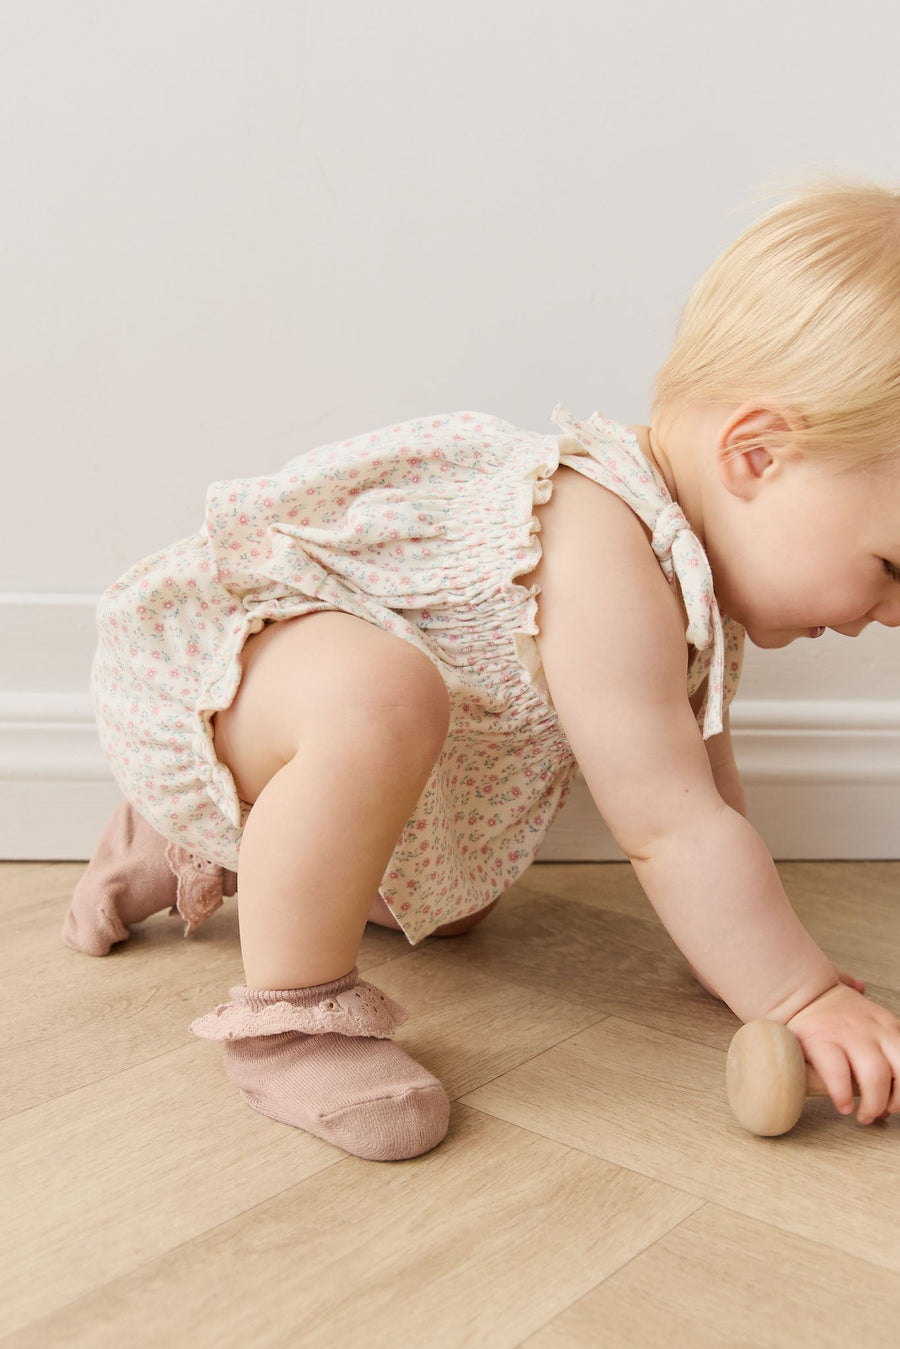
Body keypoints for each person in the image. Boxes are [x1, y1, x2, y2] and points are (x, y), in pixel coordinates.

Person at [64, 183, 900, 1160]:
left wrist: (756, 962)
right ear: (757, 453)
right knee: (378, 694)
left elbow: (706, 802)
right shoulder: (600, 544)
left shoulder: (689, 580)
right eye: (891, 565)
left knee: (451, 902)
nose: (893, 611)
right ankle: (289, 1020)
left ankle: (199, 842)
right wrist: (795, 991)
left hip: (275, 720)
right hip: (207, 684)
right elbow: (669, 829)